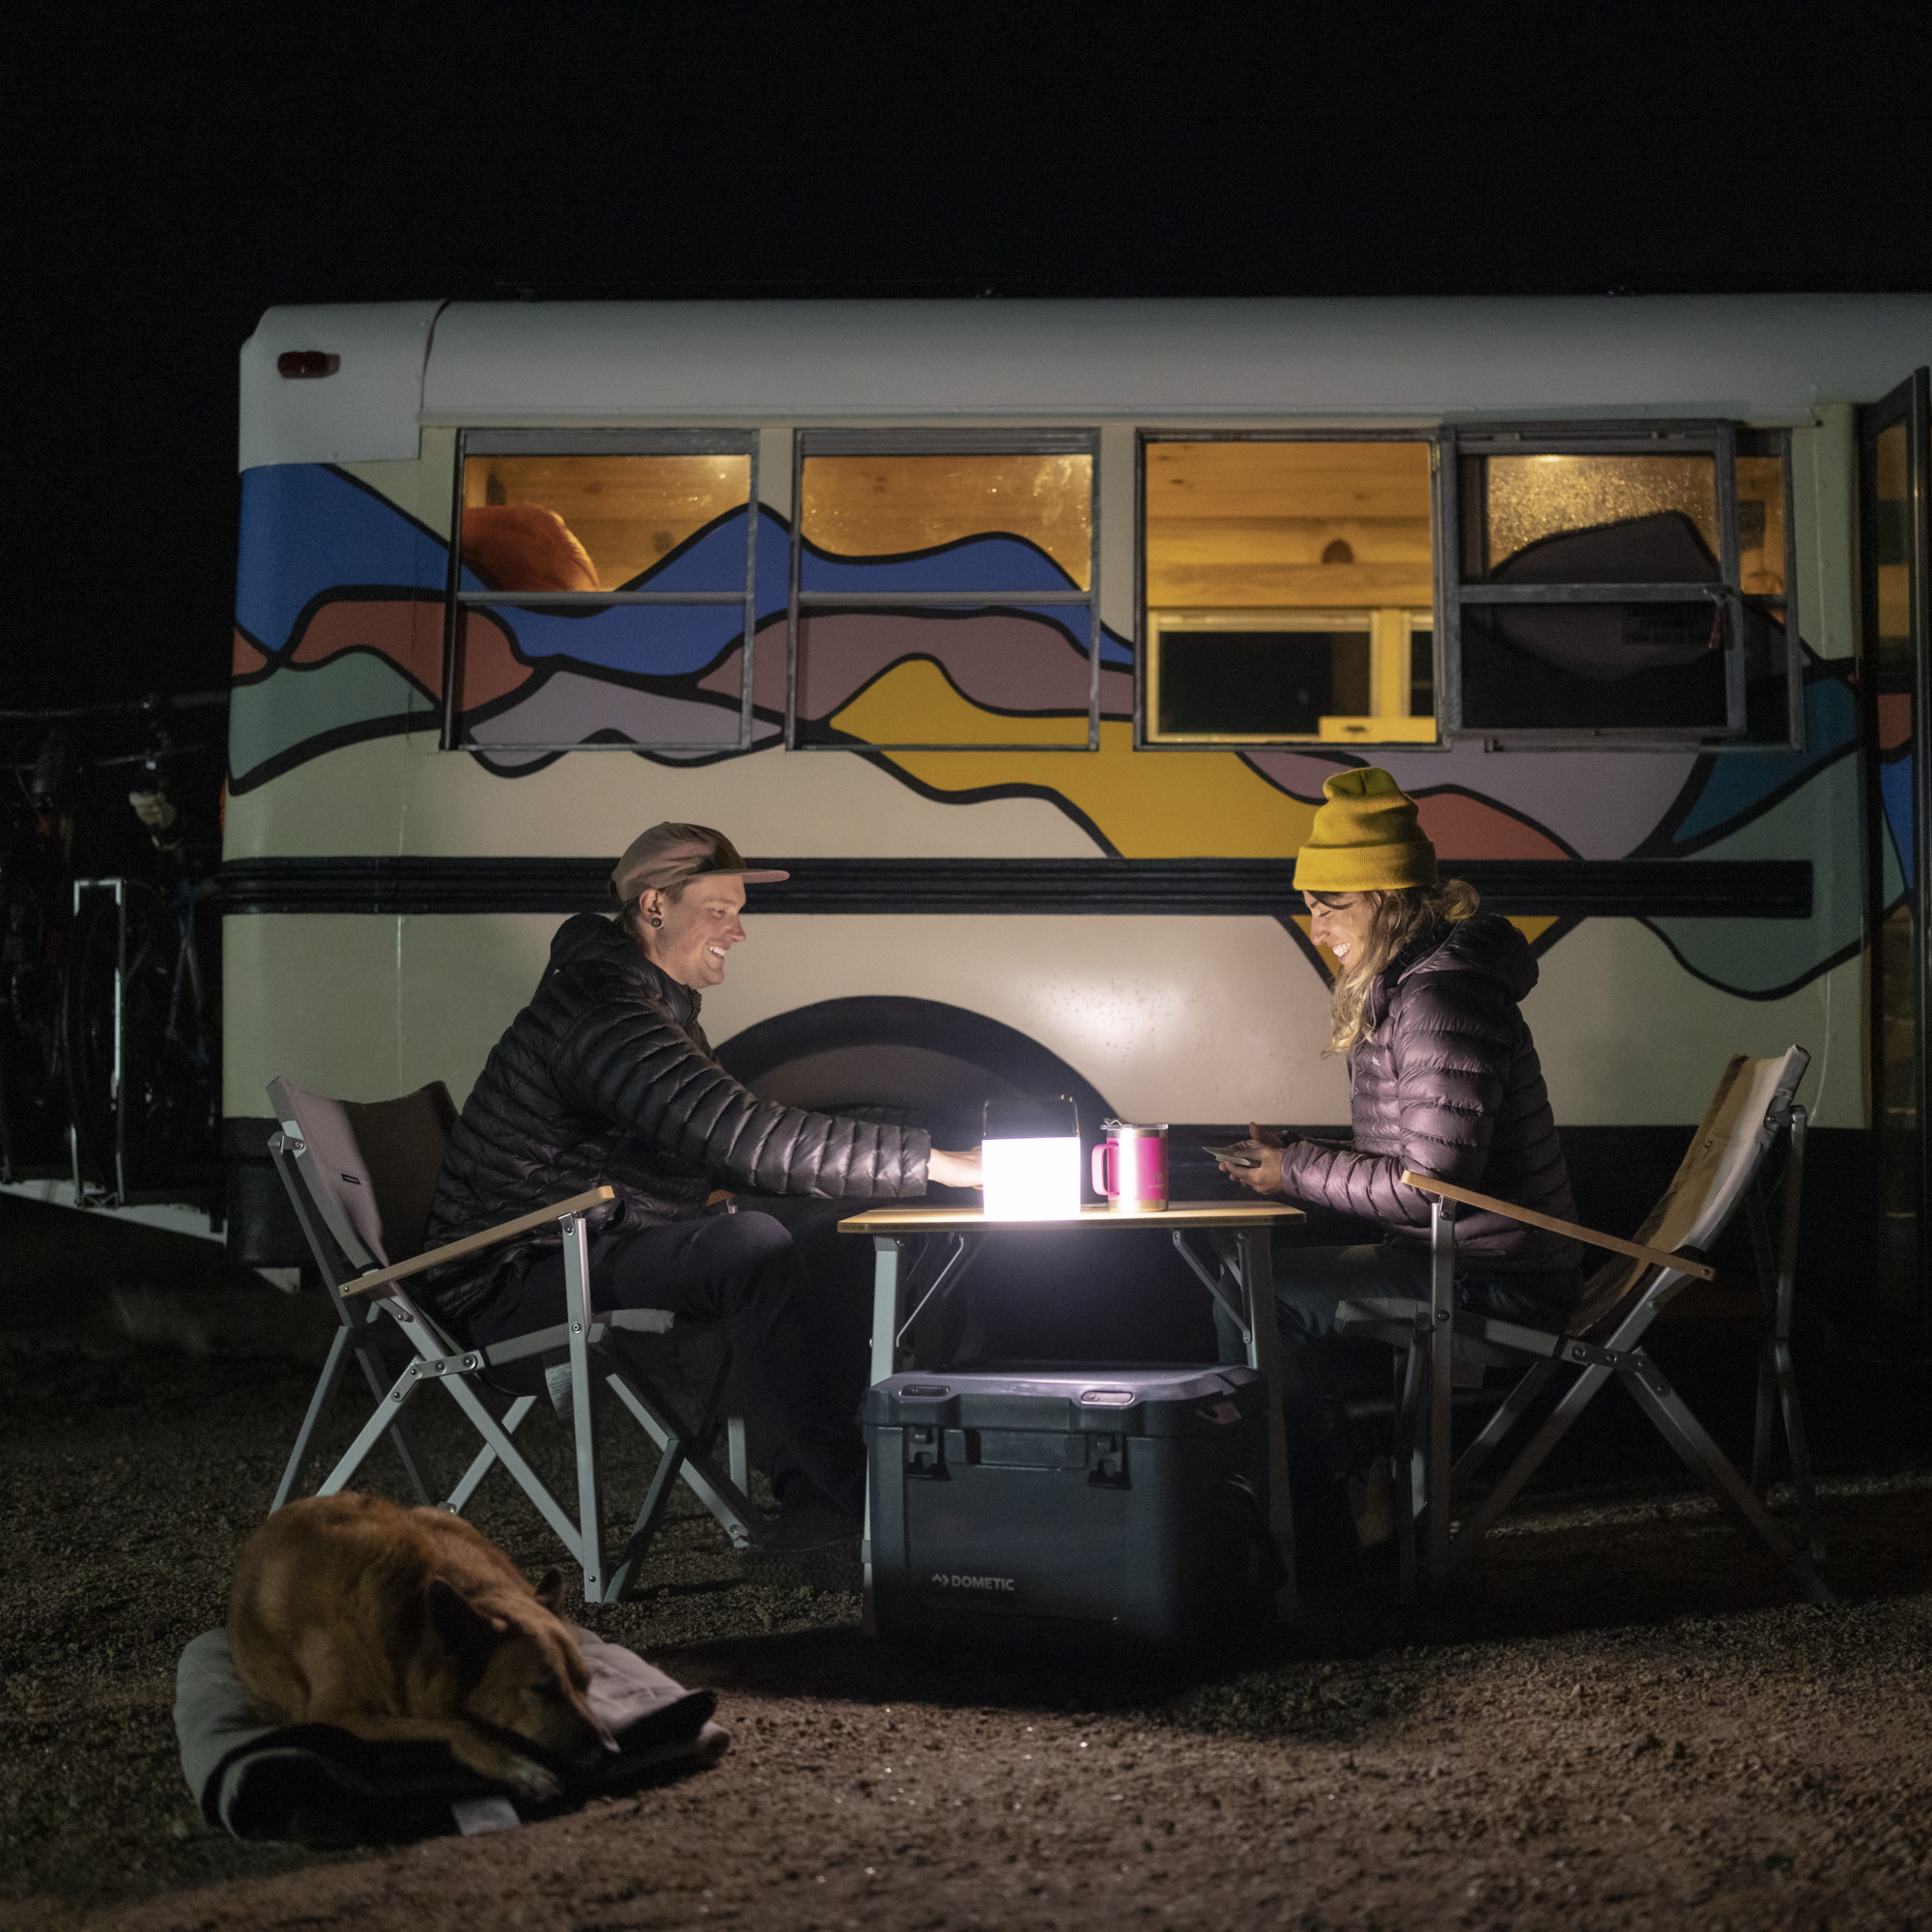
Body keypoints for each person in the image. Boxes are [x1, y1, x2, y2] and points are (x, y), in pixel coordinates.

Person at [420, 821, 981, 1567]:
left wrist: (890, 1159)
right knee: (747, 1247)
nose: (738, 931)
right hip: (512, 1276)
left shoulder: (644, 999)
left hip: (594, 1236)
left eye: (737, 910)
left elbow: (718, 1141)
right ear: (655, 906)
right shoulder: (603, 1011)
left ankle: (821, 1502)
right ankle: (857, 1502)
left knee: (834, 1232)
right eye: (719, 909)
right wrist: (933, 1163)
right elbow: (736, 1136)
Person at [1215, 768, 1582, 1577]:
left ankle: (1327, 1519)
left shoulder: (1441, 995)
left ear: (1385, 897)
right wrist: (1296, 1153)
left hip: (1495, 1276)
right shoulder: (1419, 984)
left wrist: (1294, 1170)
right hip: (1463, 1260)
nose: (1316, 929)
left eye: (1329, 905)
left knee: (1249, 1295)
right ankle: (1339, 1499)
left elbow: (1432, 1188)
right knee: (1246, 1283)